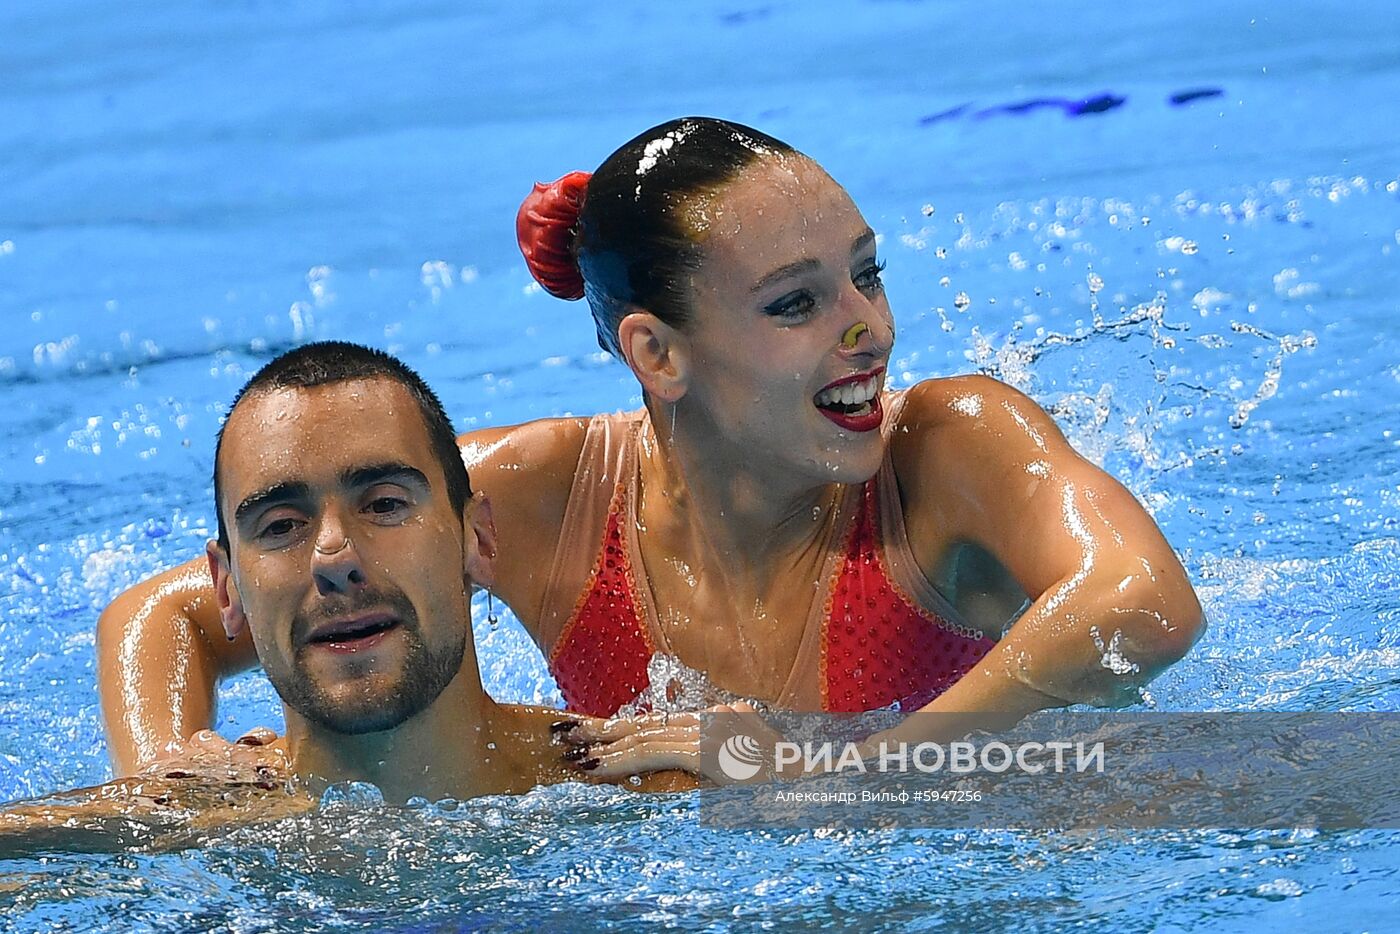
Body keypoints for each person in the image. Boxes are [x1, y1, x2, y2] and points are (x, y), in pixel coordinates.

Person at [97, 117, 1203, 780]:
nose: (869, 328)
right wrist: (168, 770)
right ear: (655, 352)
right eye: (795, 304)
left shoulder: (943, 453)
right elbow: (174, 607)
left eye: (866, 273)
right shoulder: (547, 499)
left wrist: (840, 775)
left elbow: (1143, 603)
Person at [6, 342, 686, 855]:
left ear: (476, 539)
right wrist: (166, 788)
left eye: (385, 505)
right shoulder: (171, 824)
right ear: (225, 588)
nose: (336, 559)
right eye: (281, 526)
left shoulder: (638, 793)